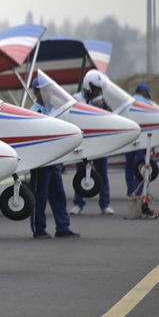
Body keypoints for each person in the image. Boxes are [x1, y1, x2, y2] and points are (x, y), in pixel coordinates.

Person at [29, 77, 80, 239]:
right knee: (39, 197)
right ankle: (39, 229)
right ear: (36, 91)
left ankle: (63, 227)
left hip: (54, 161)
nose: (49, 93)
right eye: (45, 90)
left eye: (50, 89)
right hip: (41, 162)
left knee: (59, 196)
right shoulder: (34, 110)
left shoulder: (53, 110)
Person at [69, 70, 113, 215]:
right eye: (96, 89)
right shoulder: (76, 99)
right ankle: (78, 204)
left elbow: (111, 118)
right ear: (89, 87)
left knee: (102, 174)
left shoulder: (102, 101)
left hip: (99, 142)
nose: (99, 92)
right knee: (81, 173)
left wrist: (107, 107)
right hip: (83, 143)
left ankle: (105, 204)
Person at [125, 82, 154, 198]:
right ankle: (139, 191)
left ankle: (130, 192)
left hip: (129, 139)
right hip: (142, 141)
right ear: (144, 92)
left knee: (129, 166)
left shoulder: (127, 102)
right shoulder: (148, 104)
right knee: (142, 166)